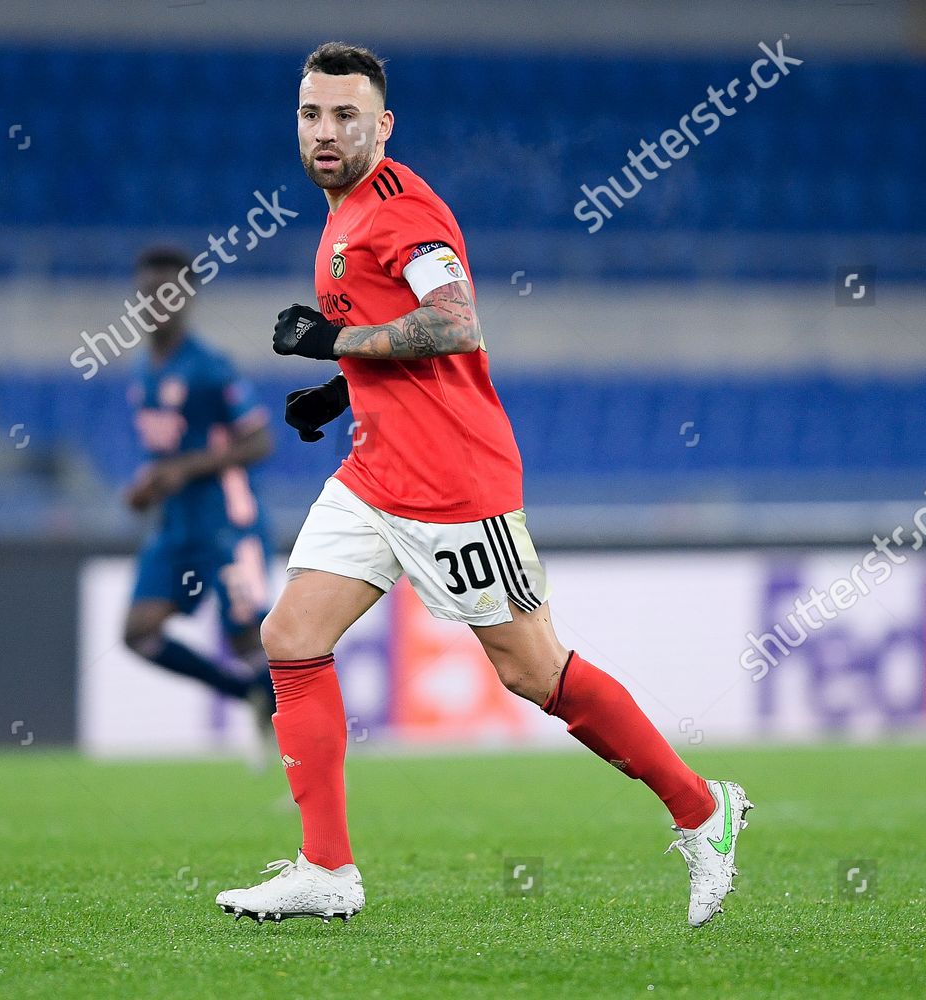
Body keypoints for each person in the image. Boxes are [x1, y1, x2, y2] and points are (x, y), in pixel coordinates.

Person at [216, 43, 751, 927]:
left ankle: (703, 809)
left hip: (454, 482)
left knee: (536, 674)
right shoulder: (342, 211)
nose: (325, 130)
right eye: (312, 113)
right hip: (374, 469)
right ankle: (326, 869)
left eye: (346, 115)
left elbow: (457, 323)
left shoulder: (401, 209)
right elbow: (392, 327)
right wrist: (341, 386)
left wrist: (334, 345)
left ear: (382, 126)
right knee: (291, 634)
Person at [120, 246, 279, 763]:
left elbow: (259, 443)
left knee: (247, 643)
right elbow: (165, 454)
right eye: (148, 293)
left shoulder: (210, 368)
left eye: (167, 293)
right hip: (175, 528)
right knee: (139, 632)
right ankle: (248, 697)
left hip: (227, 525)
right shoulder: (143, 373)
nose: (156, 304)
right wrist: (149, 485)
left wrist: (182, 471)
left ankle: (301, 763)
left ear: (187, 297)